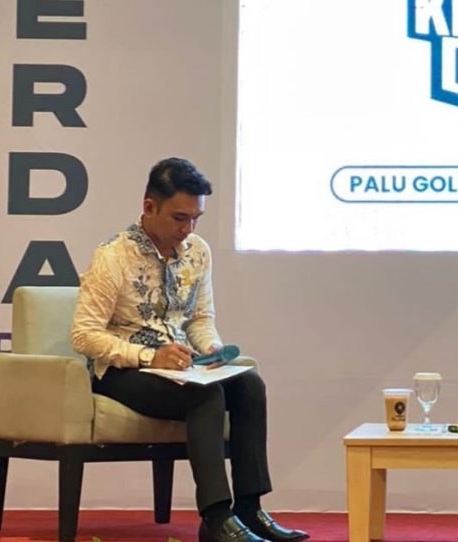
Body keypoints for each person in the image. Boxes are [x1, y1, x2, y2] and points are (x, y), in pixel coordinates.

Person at [71, 158, 309, 542]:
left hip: (179, 367)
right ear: (149, 207)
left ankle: (250, 510)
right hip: (121, 372)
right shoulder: (113, 256)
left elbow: (199, 318)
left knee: (250, 385)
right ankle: (216, 518)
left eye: (196, 219)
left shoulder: (197, 251)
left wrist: (213, 350)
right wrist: (149, 356)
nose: (188, 230)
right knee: (205, 396)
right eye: (179, 218)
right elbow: (84, 335)